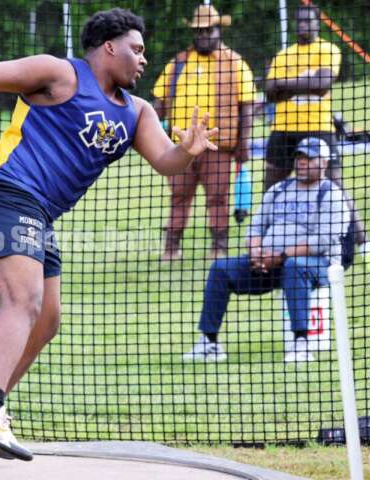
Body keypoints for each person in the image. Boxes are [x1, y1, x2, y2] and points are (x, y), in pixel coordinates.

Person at [0, 8, 218, 461]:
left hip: (40, 213)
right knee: (24, 300)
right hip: (4, 188)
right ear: (109, 46)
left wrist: (188, 151)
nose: (143, 60)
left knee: (48, 318)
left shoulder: (138, 112)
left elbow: (165, 162)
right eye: (136, 49)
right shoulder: (59, 74)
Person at [182, 137, 349, 364]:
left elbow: (323, 241)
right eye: (299, 158)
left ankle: (301, 343)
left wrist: (280, 256)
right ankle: (209, 342)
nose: (301, 163)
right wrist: (256, 252)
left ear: (324, 163)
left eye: (309, 158)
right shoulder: (279, 190)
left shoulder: (331, 194)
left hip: (316, 266)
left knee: (294, 266)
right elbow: (256, 226)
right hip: (267, 263)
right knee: (221, 268)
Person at [152, 4, 257, 261]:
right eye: (198, 31)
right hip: (181, 146)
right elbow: (158, 103)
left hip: (218, 145)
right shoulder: (178, 63)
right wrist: (153, 137)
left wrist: (244, 143)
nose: (203, 35)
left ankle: (219, 248)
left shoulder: (234, 63)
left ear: (218, 30)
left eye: (208, 30)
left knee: (218, 197)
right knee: (178, 196)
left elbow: (248, 106)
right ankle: (171, 249)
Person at [263, 4, 367, 254]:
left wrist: (283, 84)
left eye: (307, 22)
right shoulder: (283, 55)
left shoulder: (328, 49)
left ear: (317, 24)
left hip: (318, 128)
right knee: (271, 188)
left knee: (334, 185)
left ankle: (362, 241)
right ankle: (265, 241)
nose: (302, 26)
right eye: (298, 22)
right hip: (283, 129)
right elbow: (270, 93)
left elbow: (321, 84)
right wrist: (299, 84)